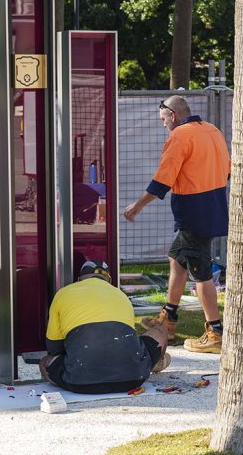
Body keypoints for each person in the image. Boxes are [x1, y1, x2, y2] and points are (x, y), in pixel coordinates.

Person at [123, 95, 231, 354]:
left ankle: (215, 332)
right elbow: (227, 170)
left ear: (173, 115)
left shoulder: (180, 136)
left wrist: (137, 205)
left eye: (163, 120)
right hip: (214, 204)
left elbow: (163, 179)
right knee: (176, 258)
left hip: (193, 211)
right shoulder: (212, 130)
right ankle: (168, 318)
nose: (163, 125)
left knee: (201, 271)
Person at [39, 260, 170, 394]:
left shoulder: (63, 293)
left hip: (78, 383)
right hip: (133, 379)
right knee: (161, 330)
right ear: (109, 281)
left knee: (44, 362)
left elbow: (54, 348)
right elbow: (128, 342)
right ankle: (154, 363)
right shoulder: (121, 295)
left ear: (79, 280)